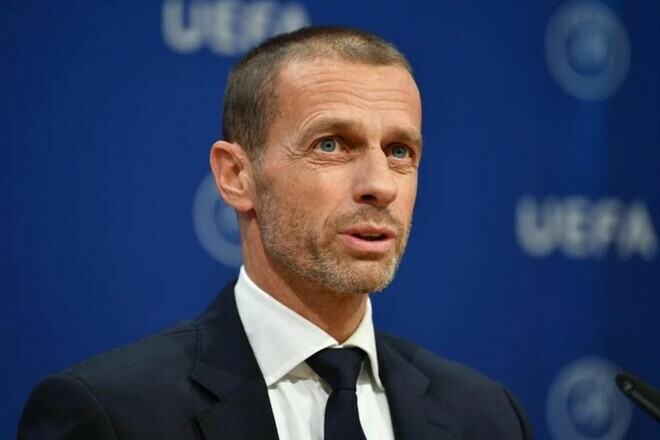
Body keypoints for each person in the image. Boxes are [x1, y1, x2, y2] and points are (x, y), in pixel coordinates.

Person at [18, 26, 533, 439]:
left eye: (400, 151)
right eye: (331, 144)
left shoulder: (487, 416)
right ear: (236, 176)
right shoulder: (110, 414)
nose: (380, 185)